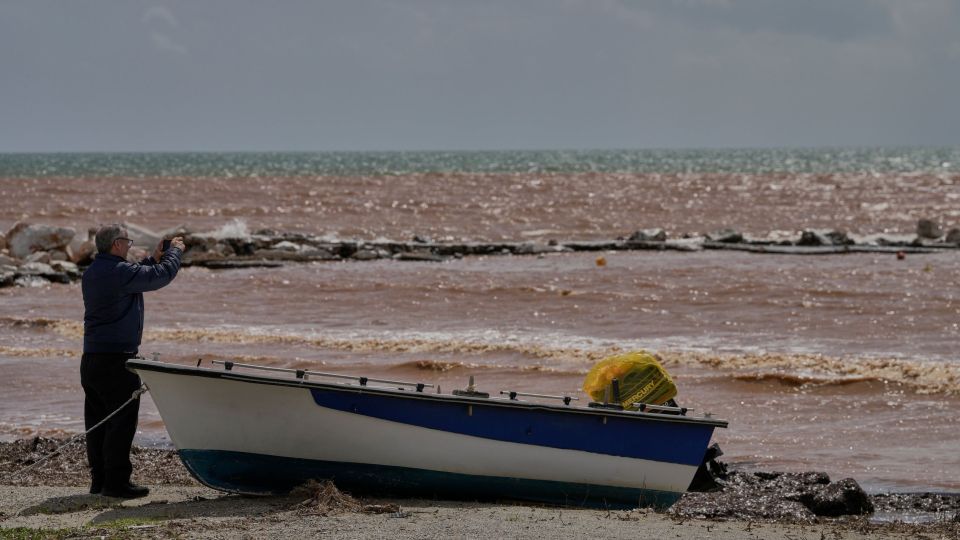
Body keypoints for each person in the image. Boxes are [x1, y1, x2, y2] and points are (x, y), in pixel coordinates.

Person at [80, 224, 184, 498]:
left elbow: (142, 274)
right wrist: (175, 253)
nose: (129, 245)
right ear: (116, 244)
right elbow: (161, 277)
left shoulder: (93, 272)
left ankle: (99, 481)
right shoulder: (118, 272)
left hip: (91, 359)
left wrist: (154, 257)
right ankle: (115, 484)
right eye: (127, 241)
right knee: (121, 422)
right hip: (116, 361)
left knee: (99, 422)